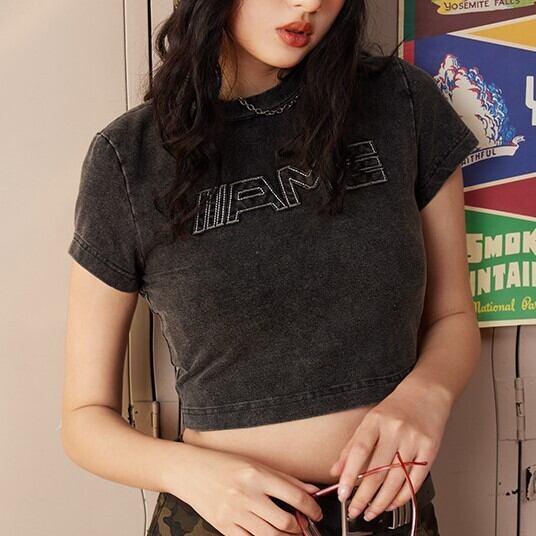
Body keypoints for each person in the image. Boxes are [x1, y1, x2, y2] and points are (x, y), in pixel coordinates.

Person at [62, 1, 482, 535]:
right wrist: (193, 475)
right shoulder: (129, 157)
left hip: (388, 514)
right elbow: (83, 419)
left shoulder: (400, 100)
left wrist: (426, 397)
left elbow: (451, 316)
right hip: (222, 523)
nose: (309, 4)